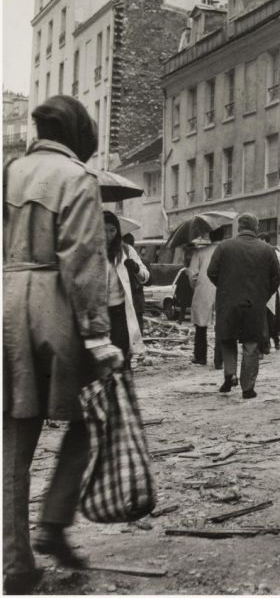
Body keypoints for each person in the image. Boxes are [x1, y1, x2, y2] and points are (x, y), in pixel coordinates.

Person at [3, 95, 124, 593]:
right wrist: (98, 335)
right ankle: (53, 522)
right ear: (79, 137)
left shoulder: (9, 171)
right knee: (84, 420)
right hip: (55, 306)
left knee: (14, 438)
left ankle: (14, 564)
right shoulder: (78, 179)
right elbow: (83, 261)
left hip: (7, 303)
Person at [207, 213, 280, 398]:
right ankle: (247, 387)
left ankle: (229, 374)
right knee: (251, 344)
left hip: (228, 301)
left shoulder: (224, 247)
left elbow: (212, 272)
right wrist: (263, 295)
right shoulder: (267, 249)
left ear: (239, 228)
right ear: (256, 228)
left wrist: (225, 289)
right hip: (255, 304)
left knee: (227, 338)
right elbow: (276, 278)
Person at [103, 211, 150, 368]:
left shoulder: (126, 251)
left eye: (112, 230)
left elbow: (146, 276)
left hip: (120, 313)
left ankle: (122, 389)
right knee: (103, 359)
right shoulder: (92, 252)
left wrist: (135, 268)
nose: (108, 235)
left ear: (117, 232)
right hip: (100, 313)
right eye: (104, 230)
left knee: (122, 357)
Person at [189, 226, 224, 367]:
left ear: (210, 236)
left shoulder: (200, 252)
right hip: (223, 290)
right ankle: (219, 360)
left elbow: (192, 275)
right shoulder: (227, 251)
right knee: (221, 326)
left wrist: (196, 286)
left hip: (204, 290)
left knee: (201, 326)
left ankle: (200, 357)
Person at [264, 237, 280, 352]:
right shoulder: (260, 254)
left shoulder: (278, 256)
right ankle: (266, 343)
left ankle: (275, 340)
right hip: (262, 292)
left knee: (272, 319)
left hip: (274, 293)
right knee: (264, 320)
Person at [121, 233, 146, 333]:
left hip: (135, 301)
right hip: (134, 302)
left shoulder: (140, 261)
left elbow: (148, 279)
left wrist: (135, 268)